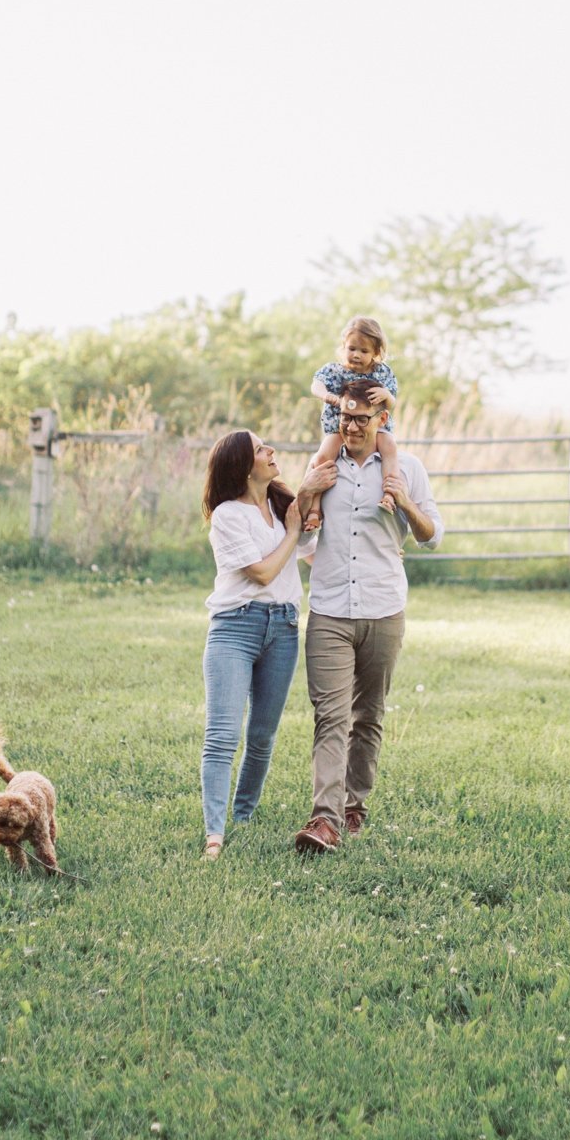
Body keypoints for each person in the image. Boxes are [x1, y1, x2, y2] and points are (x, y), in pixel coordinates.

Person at [292, 382, 443, 854]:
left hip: (384, 609)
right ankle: (325, 820)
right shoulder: (322, 467)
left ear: (382, 419)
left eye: (361, 418)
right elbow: (299, 542)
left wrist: (406, 504)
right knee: (330, 716)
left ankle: (354, 805)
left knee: (369, 715)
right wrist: (303, 494)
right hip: (330, 611)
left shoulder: (407, 469)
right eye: (345, 417)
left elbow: (432, 536)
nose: (351, 426)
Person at [199, 430, 315, 860]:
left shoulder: (283, 506)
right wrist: (292, 533)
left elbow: (312, 554)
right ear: (243, 465)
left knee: (262, 736)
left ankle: (243, 817)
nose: (271, 452)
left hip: (284, 627)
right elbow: (263, 574)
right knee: (222, 736)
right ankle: (215, 833)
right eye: (262, 448)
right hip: (235, 628)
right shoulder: (229, 515)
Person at [302, 316, 401, 531]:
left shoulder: (382, 372)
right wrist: (327, 396)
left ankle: (390, 495)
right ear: (344, 347)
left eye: (364, 351)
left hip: (375, 426)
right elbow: (315, 386)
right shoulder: (335, 370)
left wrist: (385, 394)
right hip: (340, 425)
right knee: (322, 457)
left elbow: (391, 402)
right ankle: (315, 509)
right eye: (352, 348)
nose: (356, 355)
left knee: (390, 447)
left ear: (376, 352)